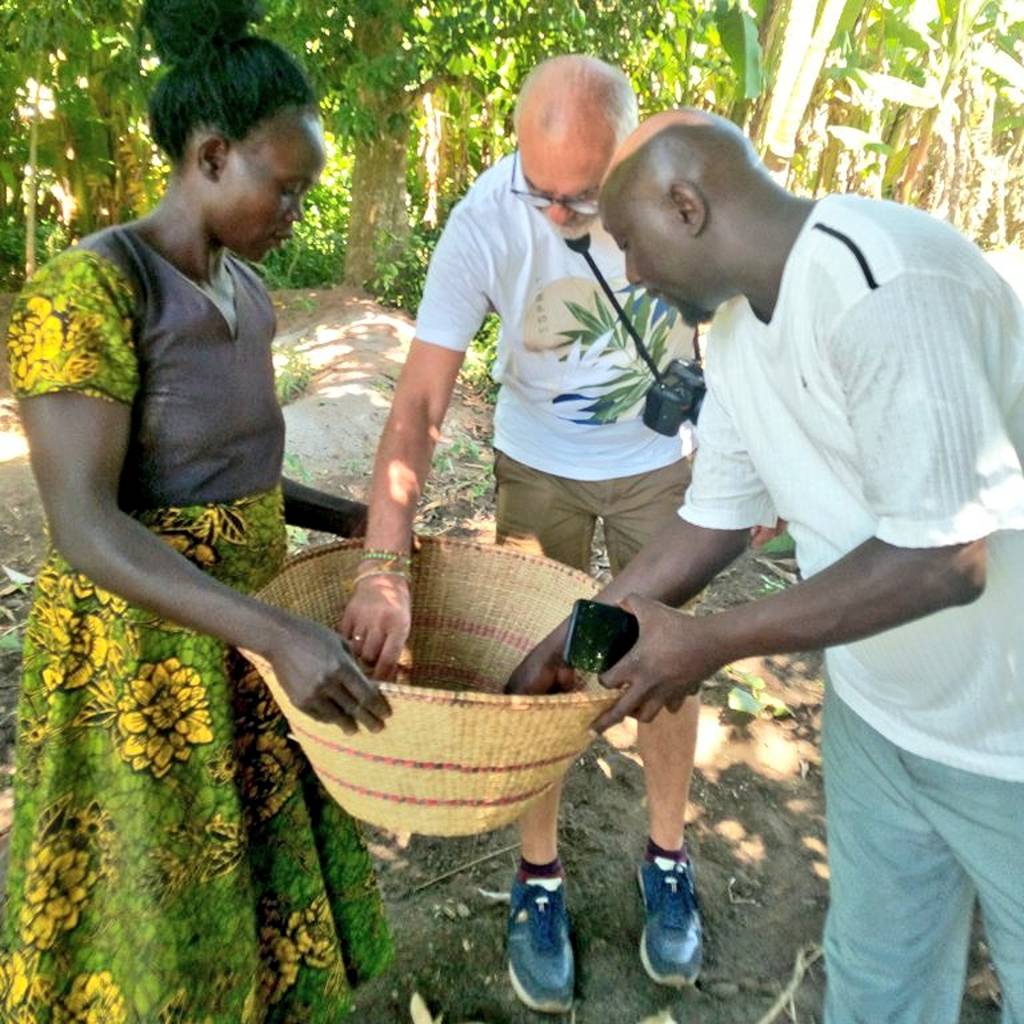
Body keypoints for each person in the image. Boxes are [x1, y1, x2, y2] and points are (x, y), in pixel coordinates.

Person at [511, 109, 1024, 1023]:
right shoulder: (740, 336)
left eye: (631, 244)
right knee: (878, 986)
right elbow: (713, 519)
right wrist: (579, 630)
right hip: (880, 724)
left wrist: (710, 642)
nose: (631, 273)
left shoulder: (886, 282)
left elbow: (950, 555)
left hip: (1009, 744)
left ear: (686, 204)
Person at [0, 2, 394, 1020]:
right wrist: (280, 634)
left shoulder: (246, 289)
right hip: (136, 663)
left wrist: (343, 518)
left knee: (244, 865)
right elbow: (86, 527)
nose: (299, 210)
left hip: (245, 633)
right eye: (288, 186)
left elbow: (228, 468)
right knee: (149, 883)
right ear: (212, 155)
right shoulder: (89, 292)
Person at [342, 55, 703, 1013]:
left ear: (628, 160)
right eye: (535, 190)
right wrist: (384, 563)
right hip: (537, 469)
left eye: (580, 198)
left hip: (661, 469)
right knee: (540, 684)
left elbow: (746, 314)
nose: (552, 216)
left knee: (664, 666)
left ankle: (667, 856)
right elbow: (419, 399)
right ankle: (537, 877)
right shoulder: (483, 218)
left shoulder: (685, 184)